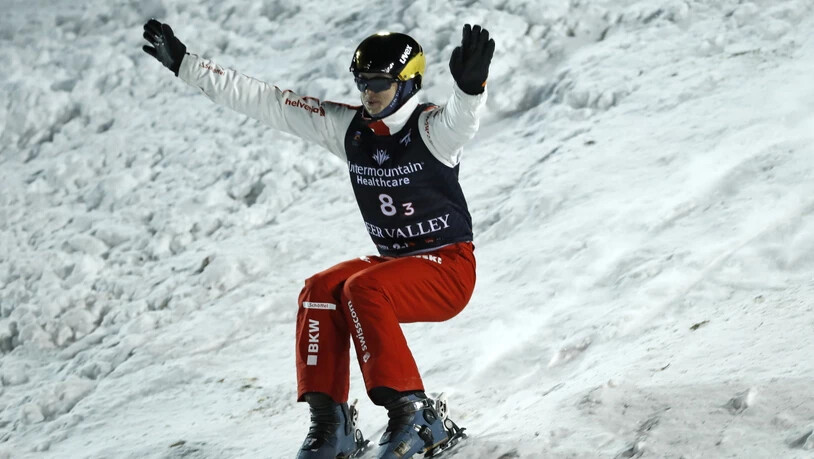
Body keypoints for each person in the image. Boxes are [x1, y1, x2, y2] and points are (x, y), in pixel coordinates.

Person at [142, 18, 494, 459]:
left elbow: (464, 121)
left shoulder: (432, 130)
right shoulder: (348, 128)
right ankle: (332, 424)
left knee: (363, 287)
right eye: (362, 81)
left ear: (407, 84)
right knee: (319, 290)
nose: (368, 92)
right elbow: (269, 102)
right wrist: (186, 65)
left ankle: (416, 413)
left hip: (449, 269)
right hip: (395, 267)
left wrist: (469, 88)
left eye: (380, 83)